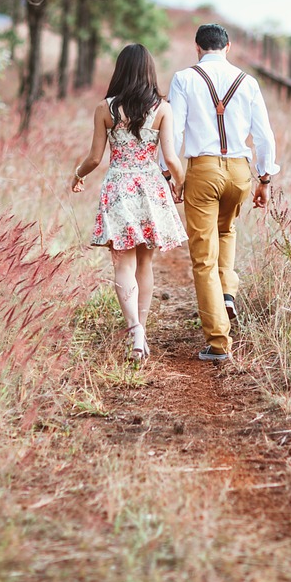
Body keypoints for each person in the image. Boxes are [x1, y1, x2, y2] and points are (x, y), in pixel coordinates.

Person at [166, 23, 279, 362]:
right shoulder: (249, 82)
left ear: (197, 48)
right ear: (227, 47)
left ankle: (218, 342)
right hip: (240, 172)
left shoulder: (185, 79)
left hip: (203, 169)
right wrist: (264, 179)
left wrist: (169, 173)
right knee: (226, 229)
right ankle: (227, 290)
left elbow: (174, 130)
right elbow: (265, 136)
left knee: (203, 259)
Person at [71, 44, 187, 363]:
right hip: (150, 186)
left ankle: (134, 328)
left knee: (123, 264)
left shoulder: (105, 109)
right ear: (149, 70)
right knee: (145, 265)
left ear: (120, 70)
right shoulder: (162, 108)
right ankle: (142, 331)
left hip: (119, 186)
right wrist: (181, 184)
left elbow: (95, 158)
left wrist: (77, 175)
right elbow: (172, 158)